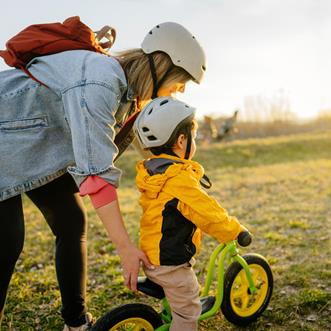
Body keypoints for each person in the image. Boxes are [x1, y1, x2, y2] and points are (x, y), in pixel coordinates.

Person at [0, 21, 206, 330]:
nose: (180, 91)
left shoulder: (126, 91)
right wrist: (125, 249)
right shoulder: (100, 82)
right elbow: (95, 176)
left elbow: (145, 149)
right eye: (180, 82)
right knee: (7, 240)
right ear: (163, 67)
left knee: (71, 222)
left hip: (32, 151)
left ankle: (76, 323)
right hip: (7, 139)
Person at [133, 97, 247, 331]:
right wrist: (234, 230)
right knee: (188, 312)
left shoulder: (153, 171)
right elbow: (207, 212)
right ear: (182, 140)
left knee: (180, 298)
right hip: (170, 263)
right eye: (193, 136)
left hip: (153, 255)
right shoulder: (178, 179)